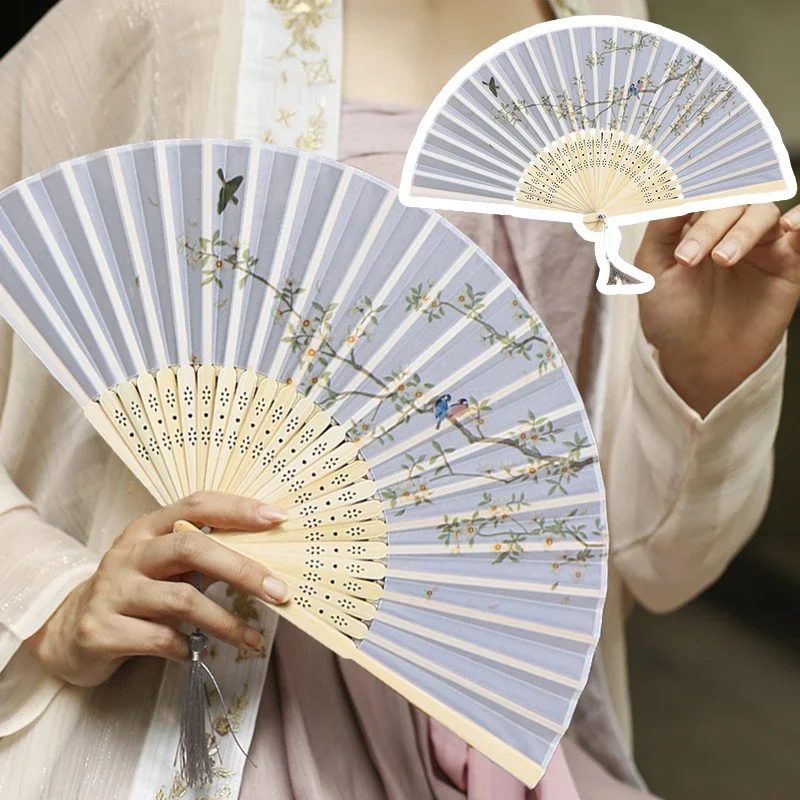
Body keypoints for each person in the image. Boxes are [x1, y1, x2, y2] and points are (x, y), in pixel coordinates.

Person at [0, 1, 797, 798]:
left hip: (503, 737)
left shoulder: (610, 28)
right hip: (219, 716)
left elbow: (654, 563)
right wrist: (50, 597)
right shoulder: (160, 18)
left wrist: (700, 372)